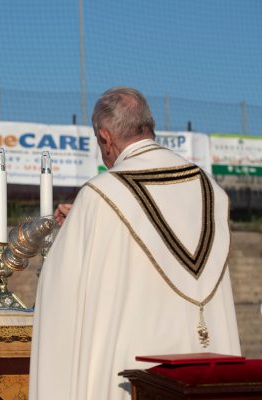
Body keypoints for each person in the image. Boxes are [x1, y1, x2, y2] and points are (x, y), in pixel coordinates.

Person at [30, 87, 241, 400]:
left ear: (105, 138)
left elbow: (62, 298)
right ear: (149, 125)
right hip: (207, 375)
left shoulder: (100, 196)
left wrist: (75, 227)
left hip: (135, 378)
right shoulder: (211, 190)